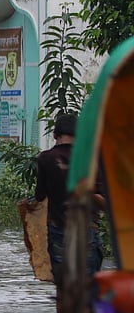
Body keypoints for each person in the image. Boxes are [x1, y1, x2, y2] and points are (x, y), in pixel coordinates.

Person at [33, 113, 103, 286]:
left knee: (65, 290)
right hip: (87, 231)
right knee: (88, 289)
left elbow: (40, 195)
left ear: (55, 135)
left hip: (60, 233)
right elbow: (104, 200)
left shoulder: (45, 159)